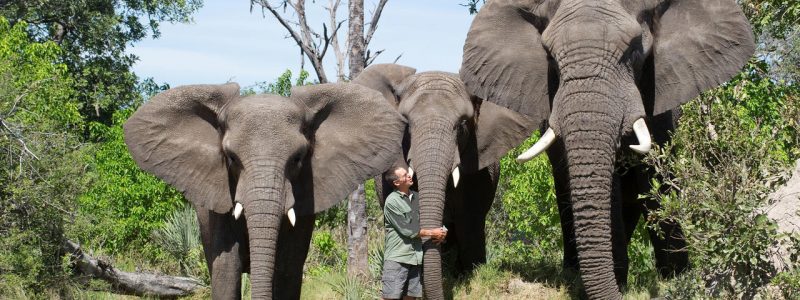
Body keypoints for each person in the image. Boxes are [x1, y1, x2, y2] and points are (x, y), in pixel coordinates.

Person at [382, 166, 447, 300]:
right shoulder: (392, 201)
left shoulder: (417, 197)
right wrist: (432, 233)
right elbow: (408, 230)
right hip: (398, 258)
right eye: (405, 175)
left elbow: (430, 218)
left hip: (415, 257)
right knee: (390, 297)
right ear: (397, 183)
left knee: (410, 297)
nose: (409, 176)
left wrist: (441, 231)